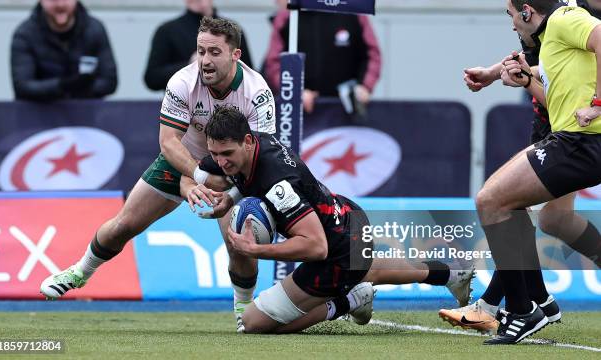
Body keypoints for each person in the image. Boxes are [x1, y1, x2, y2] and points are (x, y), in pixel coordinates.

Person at [40, 17, 276, 331]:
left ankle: (244, 309)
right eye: (201, 51)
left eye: (215, 52)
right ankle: (79, 272)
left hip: (234, 167)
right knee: (123, 225)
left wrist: (230, 194)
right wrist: (195, 179)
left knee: (239, 240)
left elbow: (258, 156)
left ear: (236, 55)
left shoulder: (257, 93)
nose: (205, 60)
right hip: (183, 158)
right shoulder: (182, 81)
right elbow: (168, 142)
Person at [190, 105, 475, 334]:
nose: (222, 162)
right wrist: (229, 198)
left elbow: (316, 247)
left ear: (248, 141)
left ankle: (347, 301)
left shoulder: (280, 186)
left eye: (227, 154)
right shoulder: (254, 144)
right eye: (215, 154)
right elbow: (238, 175)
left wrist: (256, 250)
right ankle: (450, 272)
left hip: (334, 250)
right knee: (366, 269)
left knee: (253, 323)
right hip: (348, 218)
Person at [438, 0, 601, 335]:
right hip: (567, 132)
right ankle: (536, 300)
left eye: (512, 15)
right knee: (551, 218)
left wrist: (597, 103)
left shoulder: (566, 16)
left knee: (498, 201)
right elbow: (542, 64)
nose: (511, 25)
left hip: (578, 138)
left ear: (526, 11)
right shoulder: (557, 21)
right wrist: (498, 73)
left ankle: (509, 305)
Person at [264, 9, 381, 113]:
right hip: (302, 112)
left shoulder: (354, 12)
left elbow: (372, 55)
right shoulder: (289, 15)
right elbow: (274, 64)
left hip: (346, 111)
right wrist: (294, 92)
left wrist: (365, 86)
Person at [11, 0, 117, 101]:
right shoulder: (25, 34)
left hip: (87, 113)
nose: (60, 5)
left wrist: (82, 87)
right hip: (39, 115)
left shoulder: (95, 29)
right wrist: (62, 86)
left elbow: (110, 82)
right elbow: (23, 87)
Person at [144, 0, 253, 91]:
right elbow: (152, 78)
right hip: (184, 110)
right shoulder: (167, 31)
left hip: (227, 108)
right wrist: (189, 65)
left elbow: (249, 77)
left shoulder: (232, 30)